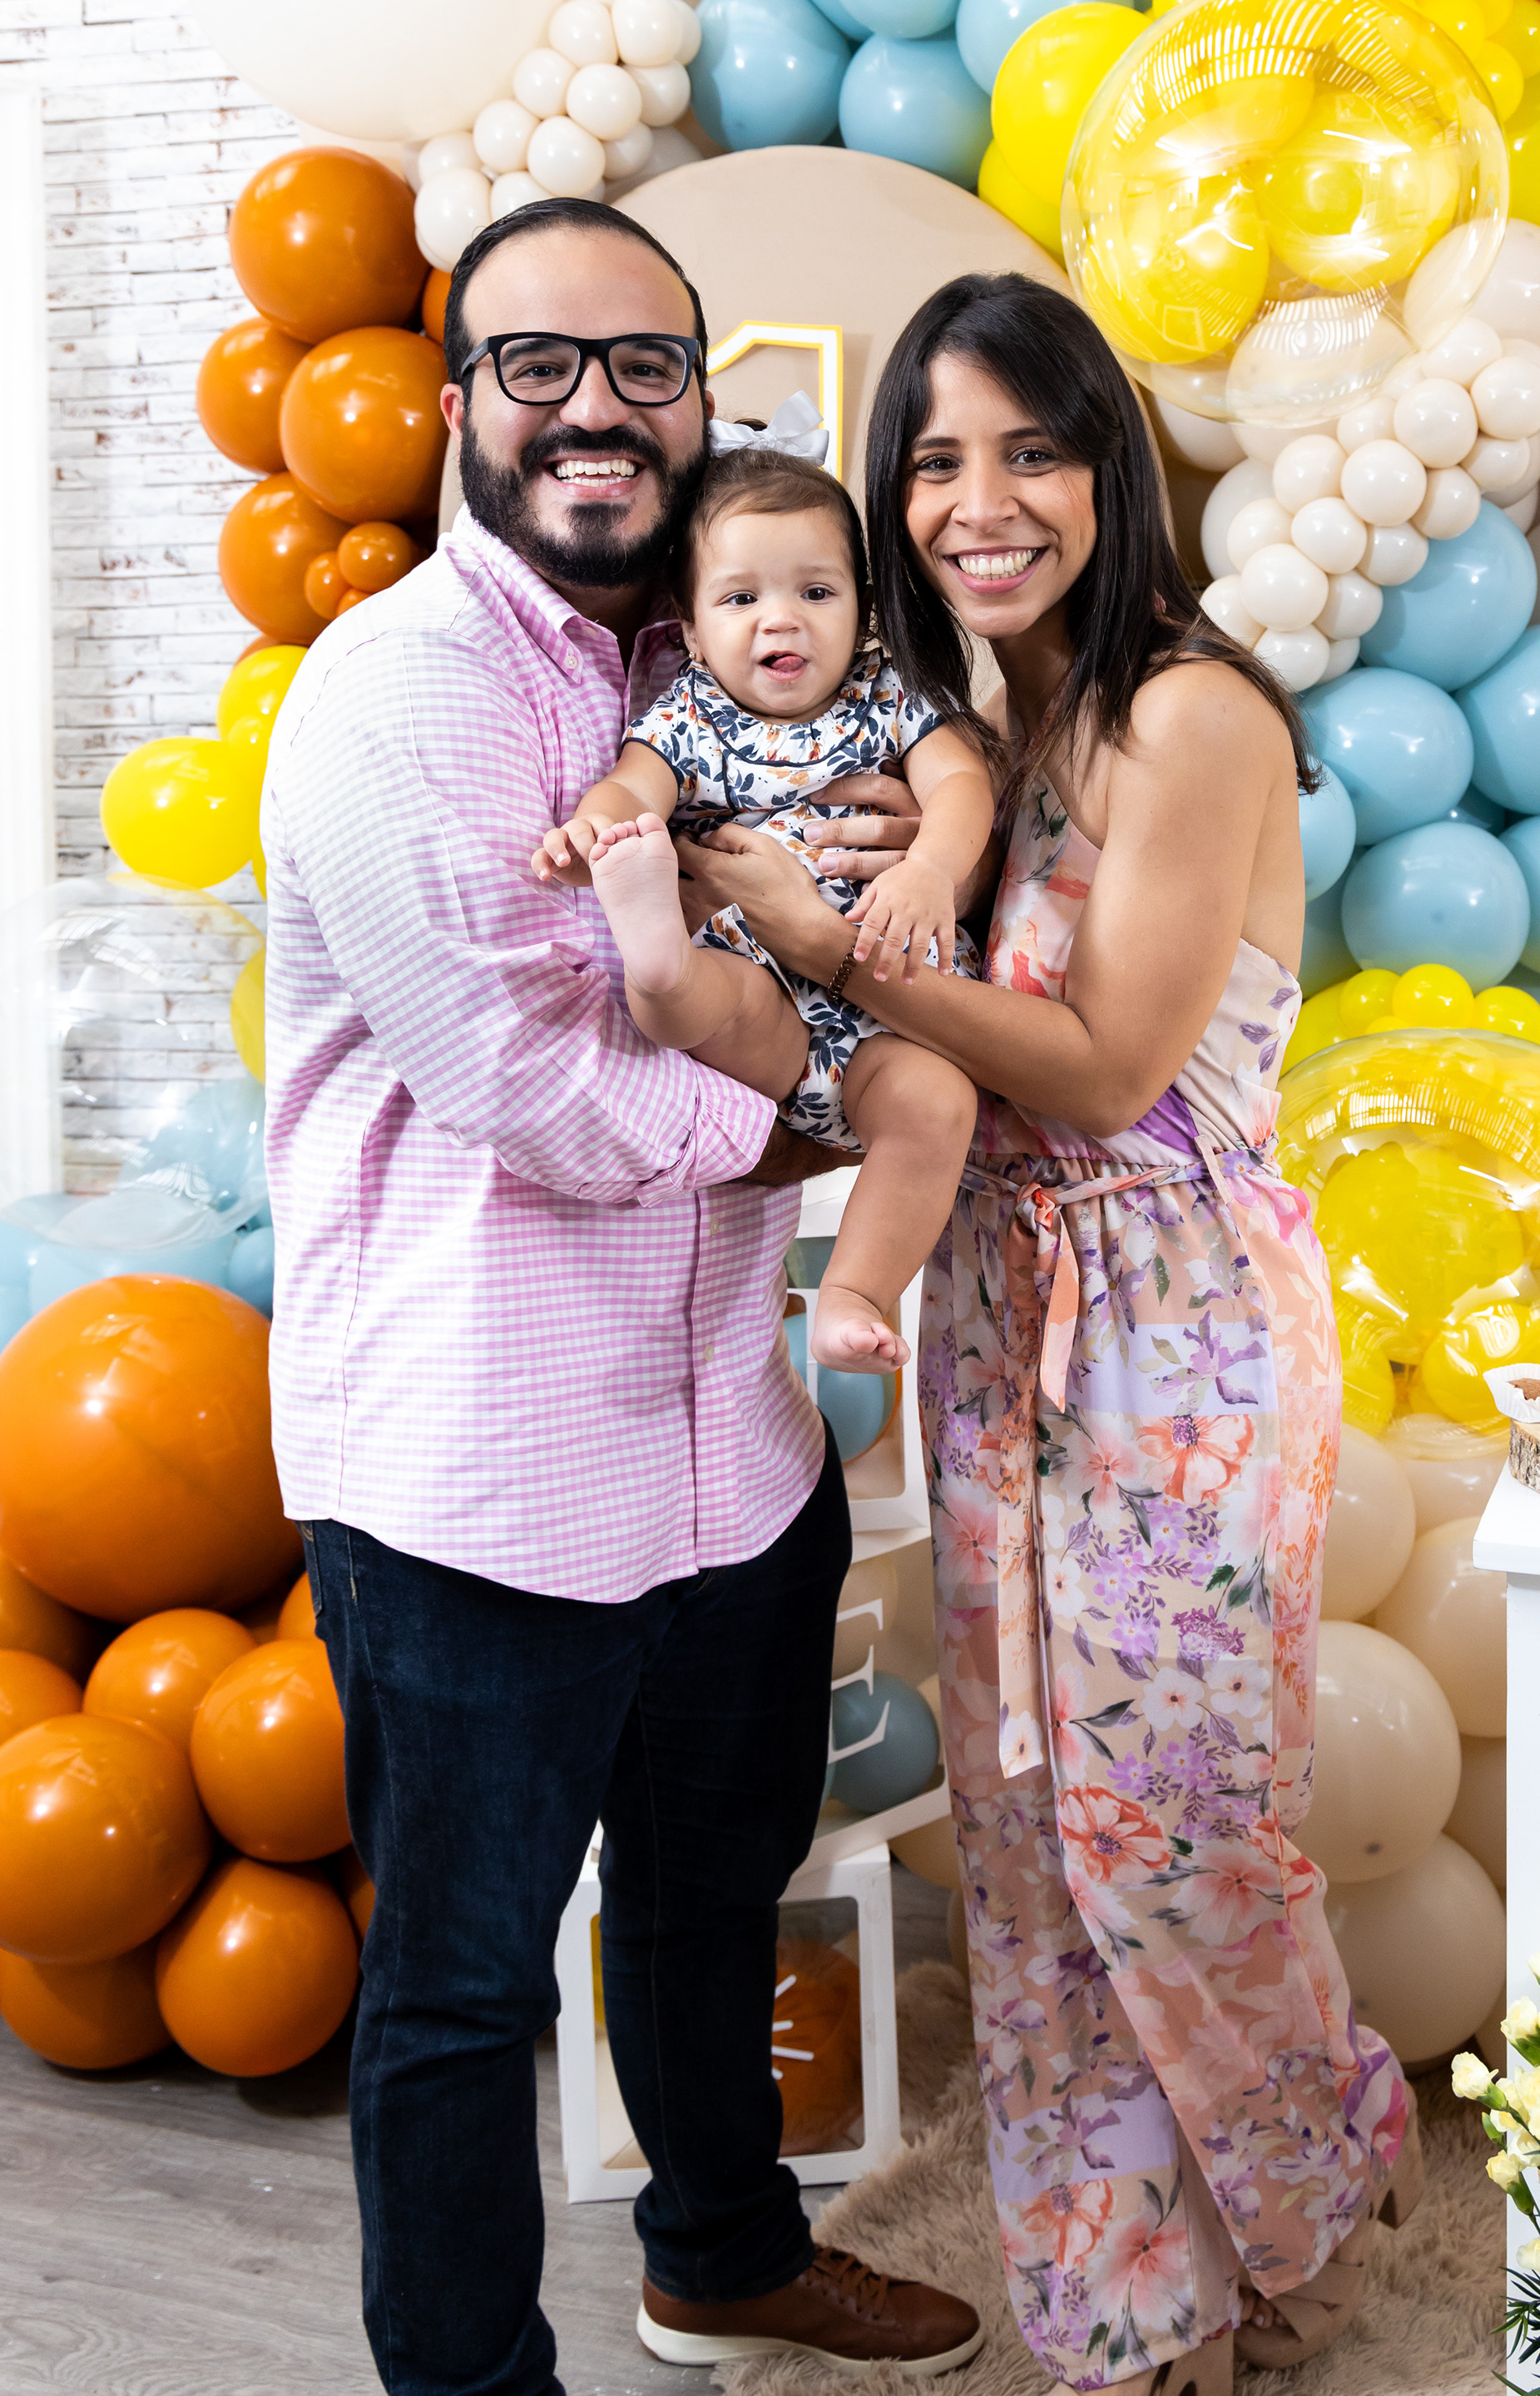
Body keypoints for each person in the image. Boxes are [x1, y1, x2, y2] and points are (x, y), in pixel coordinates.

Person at [671, 271, 1424, 2396]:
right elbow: (895, 1053)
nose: (978, 501)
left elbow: (1102, 1070)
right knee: (1022, 1837)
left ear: (1110, 468)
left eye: (1029, 449)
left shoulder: (1194, 715)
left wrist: (838, 946)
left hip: (1182, 1323)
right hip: (1002, 1315)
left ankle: (1319, 2166)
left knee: (1171, 1823)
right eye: (933, 460)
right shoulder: (957, 744)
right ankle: (1127, 2302)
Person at [259, 196, 982, 2396]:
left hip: (728, 1449)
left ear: (700, 398)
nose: (594, 408)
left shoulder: (713, 657)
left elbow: (896, 864)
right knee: (466, 1986)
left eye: (643, 365)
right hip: (478, 1471)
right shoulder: (405, 692)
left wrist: (885, 889)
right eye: (538, 364)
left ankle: (724, 2255)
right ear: (459, 400)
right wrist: (841, 1116)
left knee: (708, 1895)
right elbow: (540, 1093)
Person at [532, 442, 993, 1375]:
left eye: (816, 592)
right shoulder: (688, 715)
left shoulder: (887, 694)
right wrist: (595, 832)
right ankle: (656, 960)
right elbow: (630, 788)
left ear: (861, 608)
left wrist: (929, 871)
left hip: (893, 1015)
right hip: (765, 994)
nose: (781, 618)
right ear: (694, 632)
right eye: (741, 598)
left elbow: (962, 786)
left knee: (939, 1106)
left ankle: (855, 1294)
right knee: (711, 998)